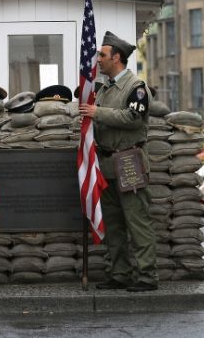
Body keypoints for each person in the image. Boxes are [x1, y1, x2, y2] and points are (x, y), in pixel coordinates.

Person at [78, 31, 157, 292]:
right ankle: (120, 273)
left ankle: (147, 276)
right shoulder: (105, 89)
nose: (98, 59)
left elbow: (133, 118)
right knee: (113, 223)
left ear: (117, 57)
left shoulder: (136, 87)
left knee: (137, 221)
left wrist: (97, 112)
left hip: (129, 160)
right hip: (107, 164)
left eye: (102, 55)